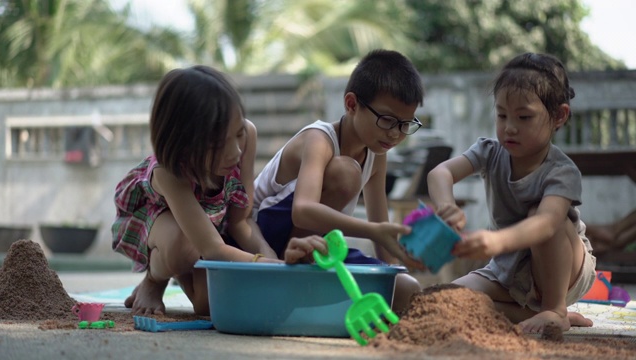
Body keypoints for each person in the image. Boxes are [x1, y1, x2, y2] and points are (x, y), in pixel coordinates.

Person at [111, 65, 328, 316]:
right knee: (183, 246)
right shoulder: (169, 172)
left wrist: (272, 260)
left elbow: (241, 221)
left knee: (207, 306)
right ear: (183, 144)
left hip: (208, 226)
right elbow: (213, 248)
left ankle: (179, 267)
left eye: (237, 135)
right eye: (217, 144)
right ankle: (154, 279)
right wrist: (269, 266)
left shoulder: (247, 135)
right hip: (157, 219)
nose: (235, 152)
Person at [427, 53, 597, 333]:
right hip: (508, 269)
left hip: (566, 270)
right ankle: (540, 314)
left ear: (559, 116)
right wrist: (446, 206)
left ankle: (555, 308)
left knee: (539, 216)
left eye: (524, 116)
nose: (510, 127)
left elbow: (546, 224)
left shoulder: (561, 171)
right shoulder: (489, 151)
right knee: (445, 299)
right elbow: (439, 174)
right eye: (502, 114)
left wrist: (496, 242)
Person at [253, 49, 426, 313]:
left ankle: (305, 281)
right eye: (388, 120)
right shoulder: (319, 139)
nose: (395, 134)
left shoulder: (376, 152)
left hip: (319, 246)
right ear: (352, 104)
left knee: (407, 288)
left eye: (405, 124)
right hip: (262, 238)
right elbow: (302, 212)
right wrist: (371, 231)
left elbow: (380, 226)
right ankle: (295, 277)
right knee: (346, 172)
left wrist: (394, 268)